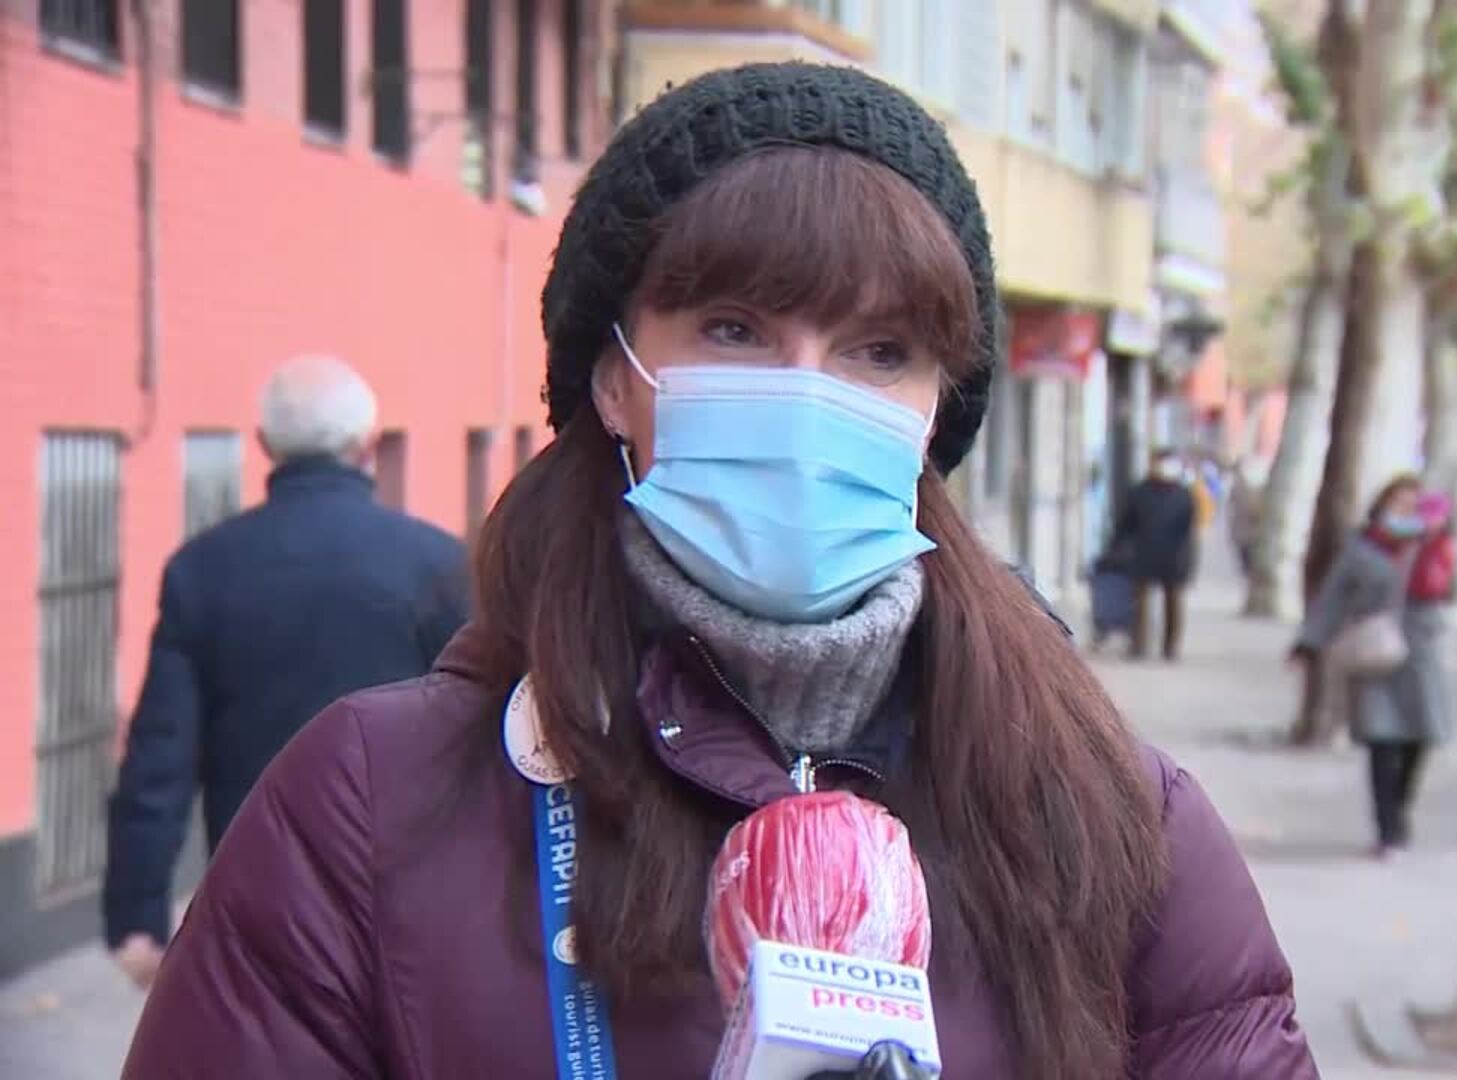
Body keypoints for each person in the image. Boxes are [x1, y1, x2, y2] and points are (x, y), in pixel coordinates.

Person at [122, 64, 1319, 1080]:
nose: (806, 393)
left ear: (931, 420)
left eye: (879, 351)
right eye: (736, 330)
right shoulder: (371, 806)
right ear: (614, 376)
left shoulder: (1112, 813)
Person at [102, 356, 468, 990]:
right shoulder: (437, 564)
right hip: (406, 890)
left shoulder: (202, 570)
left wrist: (138, 914)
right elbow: (478, 729)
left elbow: (161, 753)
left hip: (256, 892)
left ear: (265, 444)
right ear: (369, 444)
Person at [1291, 475, 1449, 859]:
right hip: (1373, 654)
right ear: (1381, 507)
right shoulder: (1361, 550)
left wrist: (1437, 542)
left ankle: (1401, 807)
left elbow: (1451, 588)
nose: (1405, 514)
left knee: (1419, 739)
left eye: (1414, 506)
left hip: (1419, 654)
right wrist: (1309, 641)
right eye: (1398, 504)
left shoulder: (1431, 547)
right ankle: (1388, 830)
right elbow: (1332, 598)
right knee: (1383, 741)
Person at [1113, 449, 1199, 662]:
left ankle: (1170, 647)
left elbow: (1189, 530)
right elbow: (1126, 524)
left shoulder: (1183, 494)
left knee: (1173, 603)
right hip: (1144, 554)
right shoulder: (1140, 492)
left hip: (1174, 557)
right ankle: (1138, 644)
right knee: (1139, 602)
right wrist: (1118, 547)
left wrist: (1187, 560)